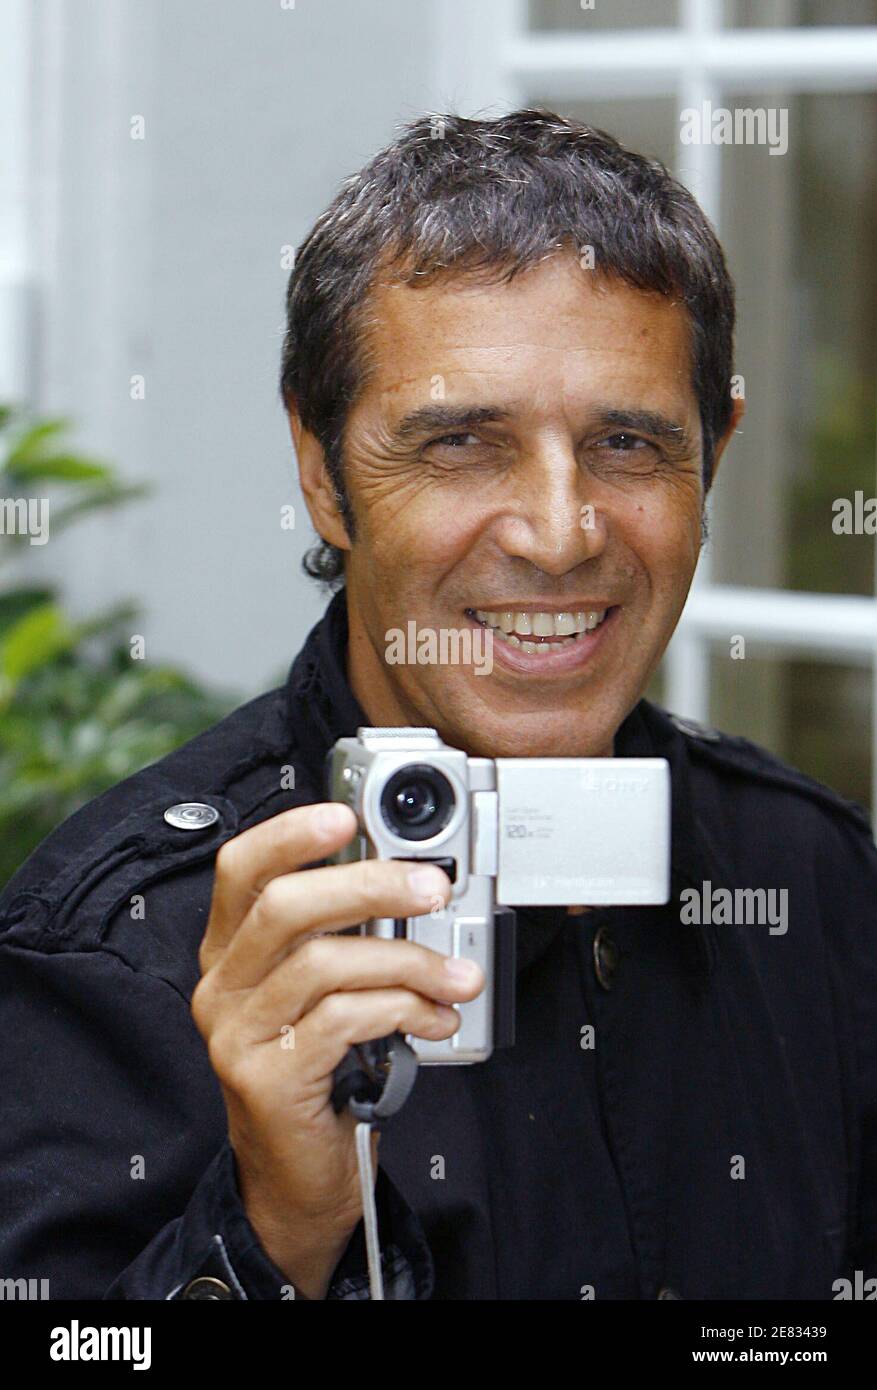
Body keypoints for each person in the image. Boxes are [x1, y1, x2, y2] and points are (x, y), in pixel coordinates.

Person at [1, 111, 874, 1301]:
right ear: (321, 471)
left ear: (710, 456)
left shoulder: (809, 876)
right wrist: (271, 1226)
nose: (559, 535)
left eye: (626, 443)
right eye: (461, 444)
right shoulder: (124, 946)